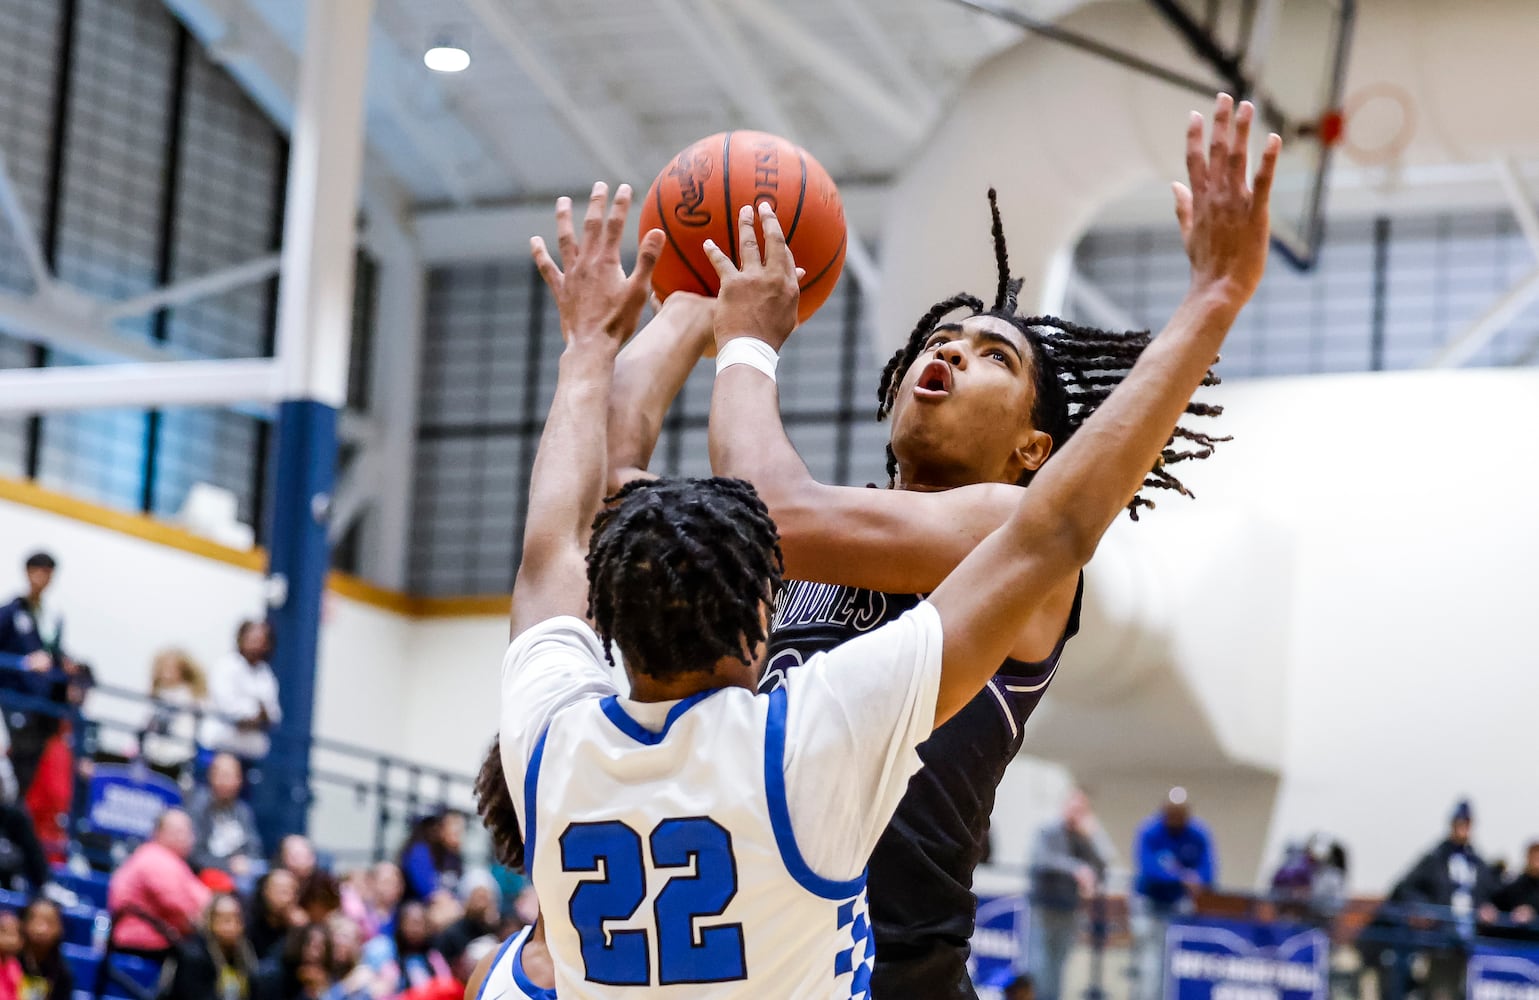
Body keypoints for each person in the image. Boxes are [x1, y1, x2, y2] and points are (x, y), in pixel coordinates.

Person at [499, 92, 1276, 997]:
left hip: (900, 969)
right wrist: (686, 300)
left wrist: (743, 341)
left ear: (1035, 450)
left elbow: (774, 507)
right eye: (941, 338)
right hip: (760, 945)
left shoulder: (996, 537)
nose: (948, 354)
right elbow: (605, 491)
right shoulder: (795, 547)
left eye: (995, 356)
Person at [1131, 788, 1216, 1000]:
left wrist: (1196, 879)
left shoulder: (1198, 833)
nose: (1176, 817)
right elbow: (1148, 868)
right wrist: (1181, 877)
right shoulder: (1150, 831)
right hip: (1149, 903)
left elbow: (1208, 872)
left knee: (1173, 960)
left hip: (1178, 905)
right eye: (1172, 812)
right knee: (1150, 961)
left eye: (1180, 813)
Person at [1023, 791, 1109, 1000]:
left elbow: (1100, 866)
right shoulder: (1048, 831)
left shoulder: (1082, 838)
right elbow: (1043, 860)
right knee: (1041, 963)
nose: (1076, 813)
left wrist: (1092, 839)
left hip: (1069, 908)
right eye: (1074, 808)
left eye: (1082, 810)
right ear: (1065, 807)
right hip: (1045, 907)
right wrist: (1075, 869)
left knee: (1060, 964)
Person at [107, 808, 212, 959]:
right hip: (144, 940)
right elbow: (178, 904)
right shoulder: (154, 858)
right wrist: (208, 918)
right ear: (157, 833)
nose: (185, 838)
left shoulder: (173, 861)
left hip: (163, 937)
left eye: (188, 832)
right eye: (178, 832)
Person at [201, 620, 282, 767]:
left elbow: (273, 716)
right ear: (241, 638)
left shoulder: (266, 675)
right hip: (219, 748)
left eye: (260, 640)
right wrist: (257, 714)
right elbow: (231, 711)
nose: (256, 644)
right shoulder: (226, 665)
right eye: (252, 638)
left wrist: (258, 716)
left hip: (250, 755)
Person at [163, 893, 260, 1000]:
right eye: (224, 919)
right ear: (209, 922)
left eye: (236, 918)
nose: (231, 926)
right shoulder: (193, 955)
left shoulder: (246, 951)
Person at [189, 752, 264, 879]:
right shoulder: (198, 805)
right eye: (221, 775)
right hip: (206, 875)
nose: (224, 781)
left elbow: (255, 849)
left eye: (230, 776)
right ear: (210, 776)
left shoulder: (242, 810)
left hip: (242, 874)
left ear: (239, 780)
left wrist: (246, 862)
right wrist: (227, 866)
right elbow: (194, 854)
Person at [140, 649, 207, 777]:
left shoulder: (191, 698)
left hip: (178, 758)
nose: (166, 673)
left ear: (183, 671)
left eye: (171, 669)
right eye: (163, 668)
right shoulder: (156, 696)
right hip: (152, 756)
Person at [436, 868, 500, 977]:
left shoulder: (498, 929)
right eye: (478, 898)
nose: (482, 904)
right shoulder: (451, 934)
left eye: (485, 898)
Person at [399, 810, 464, 903]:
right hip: (419, 906)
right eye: (455, 833)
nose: (459, 838)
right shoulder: (420, 852)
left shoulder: (453, 856)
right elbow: (427, 891)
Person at [255, 923, 333, 1000]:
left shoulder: (326, 981)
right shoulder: (275, 977)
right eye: (309, 944)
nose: (313, 953)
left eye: (319, 947)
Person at [17, 897, 71, 1000]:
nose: (41, 929)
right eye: (36, 920)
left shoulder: (62, 974)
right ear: (23, 923)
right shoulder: (8, 960)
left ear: (60, 929)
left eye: (49, 922)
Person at [248, 868, 306, 962]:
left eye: (293, 892)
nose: (288, 898)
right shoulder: (250, 922)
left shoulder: (300, 926)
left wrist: (299, 931)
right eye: (282, 891)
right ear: (265, 891)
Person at [1492, 842, 1539, 942]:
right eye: (1534, 857)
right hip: (1515, 945)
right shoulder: (1513, 887)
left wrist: (1533, 916)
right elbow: (1497, 909)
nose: (1536, 862)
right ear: (1527, 858)